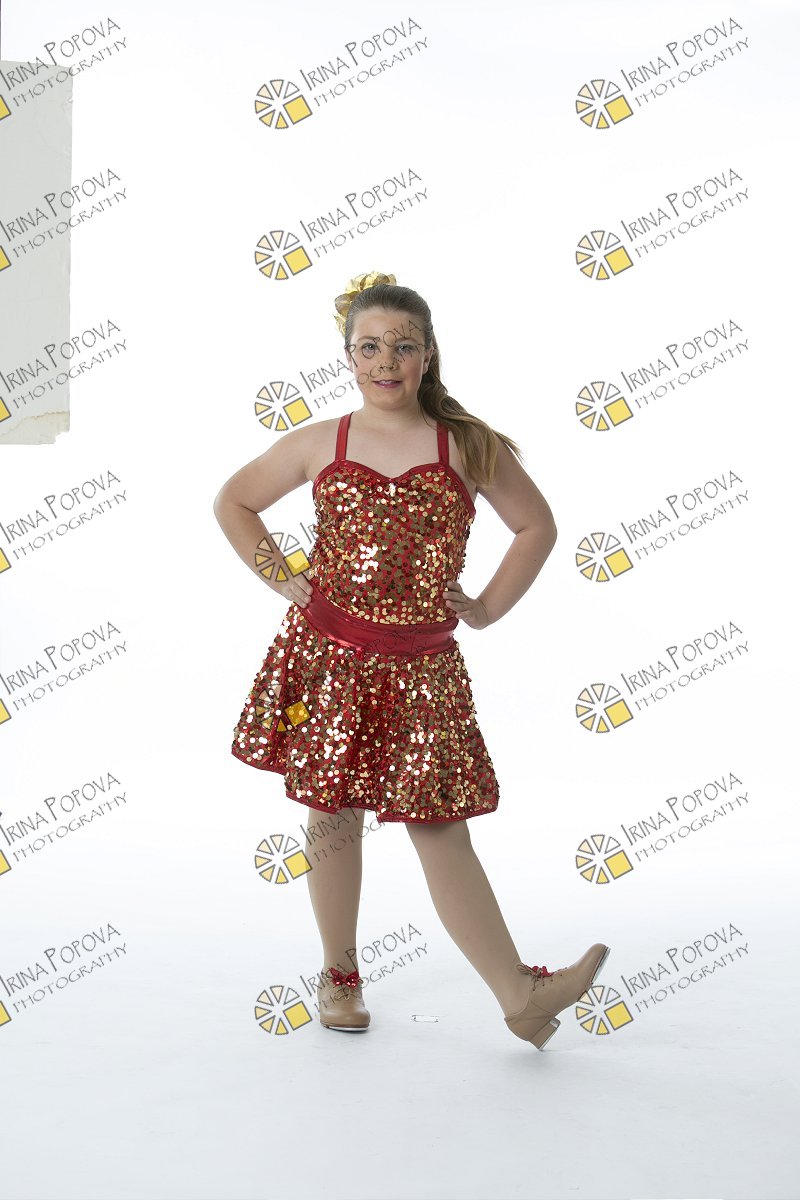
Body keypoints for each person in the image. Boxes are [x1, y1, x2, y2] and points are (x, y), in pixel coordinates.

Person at [213, 271, 609, 1050]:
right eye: (369, 347)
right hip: (330, 657)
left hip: (422, 668)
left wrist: (485, 608)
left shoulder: (465, 444)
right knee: (333, 815)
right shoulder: (321, 441)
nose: (385, 361)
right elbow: (235, 499)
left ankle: (520, 995)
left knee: (439, 825)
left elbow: (537, 526)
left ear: (428, 355)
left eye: (402, 346)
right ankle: (339, 977)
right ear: (348, 357)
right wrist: (280, 576)